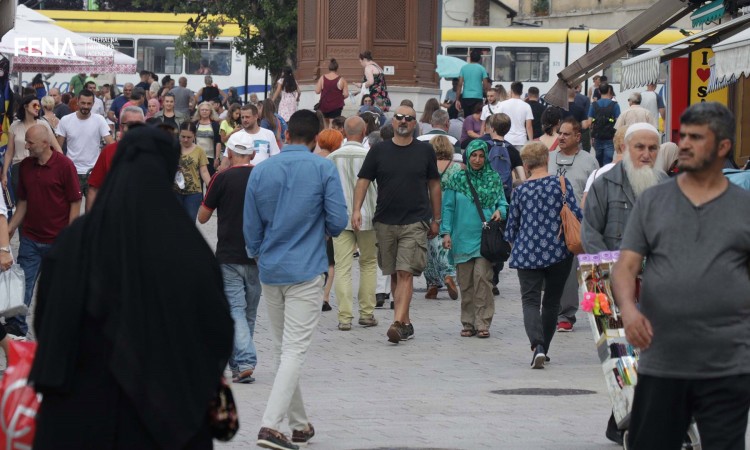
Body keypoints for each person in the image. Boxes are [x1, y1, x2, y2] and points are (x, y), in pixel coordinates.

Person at [29, 125, 232, 449]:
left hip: (78, 417)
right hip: (168, 420)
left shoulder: (76, 242)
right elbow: (218, 330)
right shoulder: (190, 250)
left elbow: (46, 321)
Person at [611, 102, 750, 450]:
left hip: (727, 363)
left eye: (696, 137)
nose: (684, 144)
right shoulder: (654, 201)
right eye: (682, 135)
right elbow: (626, 266)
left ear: (723, 147)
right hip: (663, 361)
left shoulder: (743, 208)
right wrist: (628, 309)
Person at [244, 109, 347, 450]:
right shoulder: (323, 168)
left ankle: (299, 424)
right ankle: (270, 426)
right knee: (294, 351)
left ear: (285, 135)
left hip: (271, 268)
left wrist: (258, 251)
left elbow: (250, 225)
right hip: (306, 268)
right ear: (318, 137)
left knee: (283, 348)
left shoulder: (261, 170)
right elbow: (336, 221)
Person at [580, 122, 665, 445]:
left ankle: (627, 420)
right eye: (639, 147)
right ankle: (624, 420)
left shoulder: (668, 185)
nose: (646, 154)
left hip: (657, 287)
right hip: (610, 285)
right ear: (626, 149)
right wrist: (617, 272)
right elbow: (590, 234)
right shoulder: (605, 184)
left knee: (651, 355)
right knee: (623, 356)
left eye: (652, 148)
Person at [353, 105, 441, 344]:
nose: (403, 121)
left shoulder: (424, 151)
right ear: (392, 122)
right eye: (399, 117)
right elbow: (363, 181)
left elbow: (434, 184)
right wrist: (356, 210)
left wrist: (437, 218)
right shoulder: (379, 150)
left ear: (415, 124)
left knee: (405, 272)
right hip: (385, 220)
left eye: (408, 118)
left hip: (415, 220)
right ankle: (404, 322)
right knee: (394, 272)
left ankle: (396, 322)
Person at [505, 141, 580, 368]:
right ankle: (544, 349)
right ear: (547, 160)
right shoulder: (561, 184)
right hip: (558, 251)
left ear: (526, 165)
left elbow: (511, 229)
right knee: (551, 302)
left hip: (527, 253)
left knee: (530, 301)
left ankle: (536, 345)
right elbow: (577, 214)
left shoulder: (520, 191)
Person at [6, 124, 81, 338]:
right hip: (30, 238)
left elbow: (75, 202)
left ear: (45, 143)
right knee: (24, 286)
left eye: (30, 143)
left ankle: (60, 330)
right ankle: (17, 328)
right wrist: (10, 229)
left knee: (58, 289)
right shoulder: (26, 167)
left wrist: (70, 237)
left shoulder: (65, 165)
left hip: (58, 240)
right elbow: (23, 202)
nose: (26, 147)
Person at [198, 137, 260, 384]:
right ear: (253, 155)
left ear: (231, 153)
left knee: (235, 310)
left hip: (228, 253)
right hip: (257, 255)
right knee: (250, 313)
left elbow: (203, 217)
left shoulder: (220, 178)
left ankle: (242, 361)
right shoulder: (262, 176)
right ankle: (240, 365)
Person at [442, 139, 507, 337]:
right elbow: (448, 207)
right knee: (466, 282)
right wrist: (446, 232)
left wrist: (500, 211)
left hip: (484, 239)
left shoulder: (493, 178)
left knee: (482, 279)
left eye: (481, 155)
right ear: (467, 156)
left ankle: (483, 322)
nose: (477, 160)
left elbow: (503, 203)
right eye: (473, 155)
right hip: (461, 238)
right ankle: (468, 322)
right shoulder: (457, 179)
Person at [327, 117, 380, 330]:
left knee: (342, 267)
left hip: (340, 217)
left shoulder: (332, 158)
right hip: (368, 216)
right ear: (364, 130)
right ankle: (367, 313)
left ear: (344, 132)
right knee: (368, 264)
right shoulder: (370, 156)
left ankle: (344, 316)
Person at [548, 117, 598, 332]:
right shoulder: (549, 158)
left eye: (566, 134)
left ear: (578, 137)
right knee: (553, 270)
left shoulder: (589, 162)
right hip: (551, 223)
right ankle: (554, 311)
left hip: (579, 225)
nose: (560, 137)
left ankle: (567, 314)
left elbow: (596, 194)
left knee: (575, 271)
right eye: (559, 133)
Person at [56, 90, 114, 206]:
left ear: (93, 104)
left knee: (92, 213)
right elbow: (58, 147)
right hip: (72, 171)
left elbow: (111, 144)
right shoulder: (66, 120)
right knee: (71, 212)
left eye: (89, 104)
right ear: (77, 101)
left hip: (93, 171)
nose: (85, 106)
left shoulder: (99, 120)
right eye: (83, 103)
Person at [423, 135, 463, 300]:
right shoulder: (458, 168)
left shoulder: (427, 167)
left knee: (429, 245)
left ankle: (432, 283)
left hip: (431, 208)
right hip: (450, 208)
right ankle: (448, 275)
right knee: (446, 243)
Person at [2, 96, 62, 203]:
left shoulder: (43, 124)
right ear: (25, 106)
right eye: (35, 105)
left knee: (38, 201)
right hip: (19, 167)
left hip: (39, 166)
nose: (38, 108)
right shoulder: (15, 126)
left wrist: (61, 166)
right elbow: (9, 152)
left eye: (39, 105)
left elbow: (57, 148)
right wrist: (4, 173)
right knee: (20, 202)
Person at [86, 106, 146, 212]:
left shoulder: (154, 152)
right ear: (121, 126)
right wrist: (90, 222)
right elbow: (94, 189)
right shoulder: (108, 152)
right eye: (130, 125)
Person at [314, 129, 345, 312]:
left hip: (313, 215)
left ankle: (315, 294)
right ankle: (325, 296)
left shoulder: (313, 158)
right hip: (330, 214)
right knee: (330, 261)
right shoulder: (335, 161)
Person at [223, 104, 281, 169]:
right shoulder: (235, 136)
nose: (244, 120)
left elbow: (275, 159)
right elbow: (225, 163)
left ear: (256, 116)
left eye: (247, 117)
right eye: (242, 117)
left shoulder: (269, 134)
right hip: (242, 176)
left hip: (263, 176)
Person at [175, 122, 211, 222]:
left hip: (193, 193)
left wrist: (212, 186)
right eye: (183, 136)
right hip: (174, 191)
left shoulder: (200, 151)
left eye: (189, 137)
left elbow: (204, 171)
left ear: (194, 136)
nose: (185, 139)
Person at [589, 83, 621, 166]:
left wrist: (591, 136)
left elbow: (589, 122)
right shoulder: (615, 105)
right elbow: (618, 123)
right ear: (609, 90)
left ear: (599, 91)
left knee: (598, 161)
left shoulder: (594, 105)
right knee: (608, 162)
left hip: (597, 137)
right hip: (610, 137)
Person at [497, 81, 534, 148]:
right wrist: (531, 141)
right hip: (521, 140)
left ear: (511, 91)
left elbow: (498, 122)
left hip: (506, 138)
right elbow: (529, 126)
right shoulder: (526, 106)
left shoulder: (502, 104)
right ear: (521, 92)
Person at [315, 59, 349, 128]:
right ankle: (332, 137)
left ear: (329, 68)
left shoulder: (322, 78)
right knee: (332, 123)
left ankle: (326, 137)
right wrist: (340, 97)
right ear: (337, 68)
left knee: (325, 123)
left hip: (324, 105)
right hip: (336, 106)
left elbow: (317, 91)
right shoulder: (342, 79)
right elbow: (346, 94)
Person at [456, 49, 490, 117]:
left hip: (466, 97)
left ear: (470, 58)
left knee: (467, 117)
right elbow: (485, 85)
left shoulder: (464, 68)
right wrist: (487, 97)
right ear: (479, 59)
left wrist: (457, 99)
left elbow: (459, 84)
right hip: (478, 97)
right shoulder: (482, 69)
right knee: (477, 117)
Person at [192, 101, 222, 175]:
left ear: (210, 111)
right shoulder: (194, 124)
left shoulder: (215, 125)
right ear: (199, 111)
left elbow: (218, 142)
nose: (204, 111)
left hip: (211, 158)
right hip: (197, 157)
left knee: (210, 182)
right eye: (202, 110)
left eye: (206, 110)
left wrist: (217, 158)